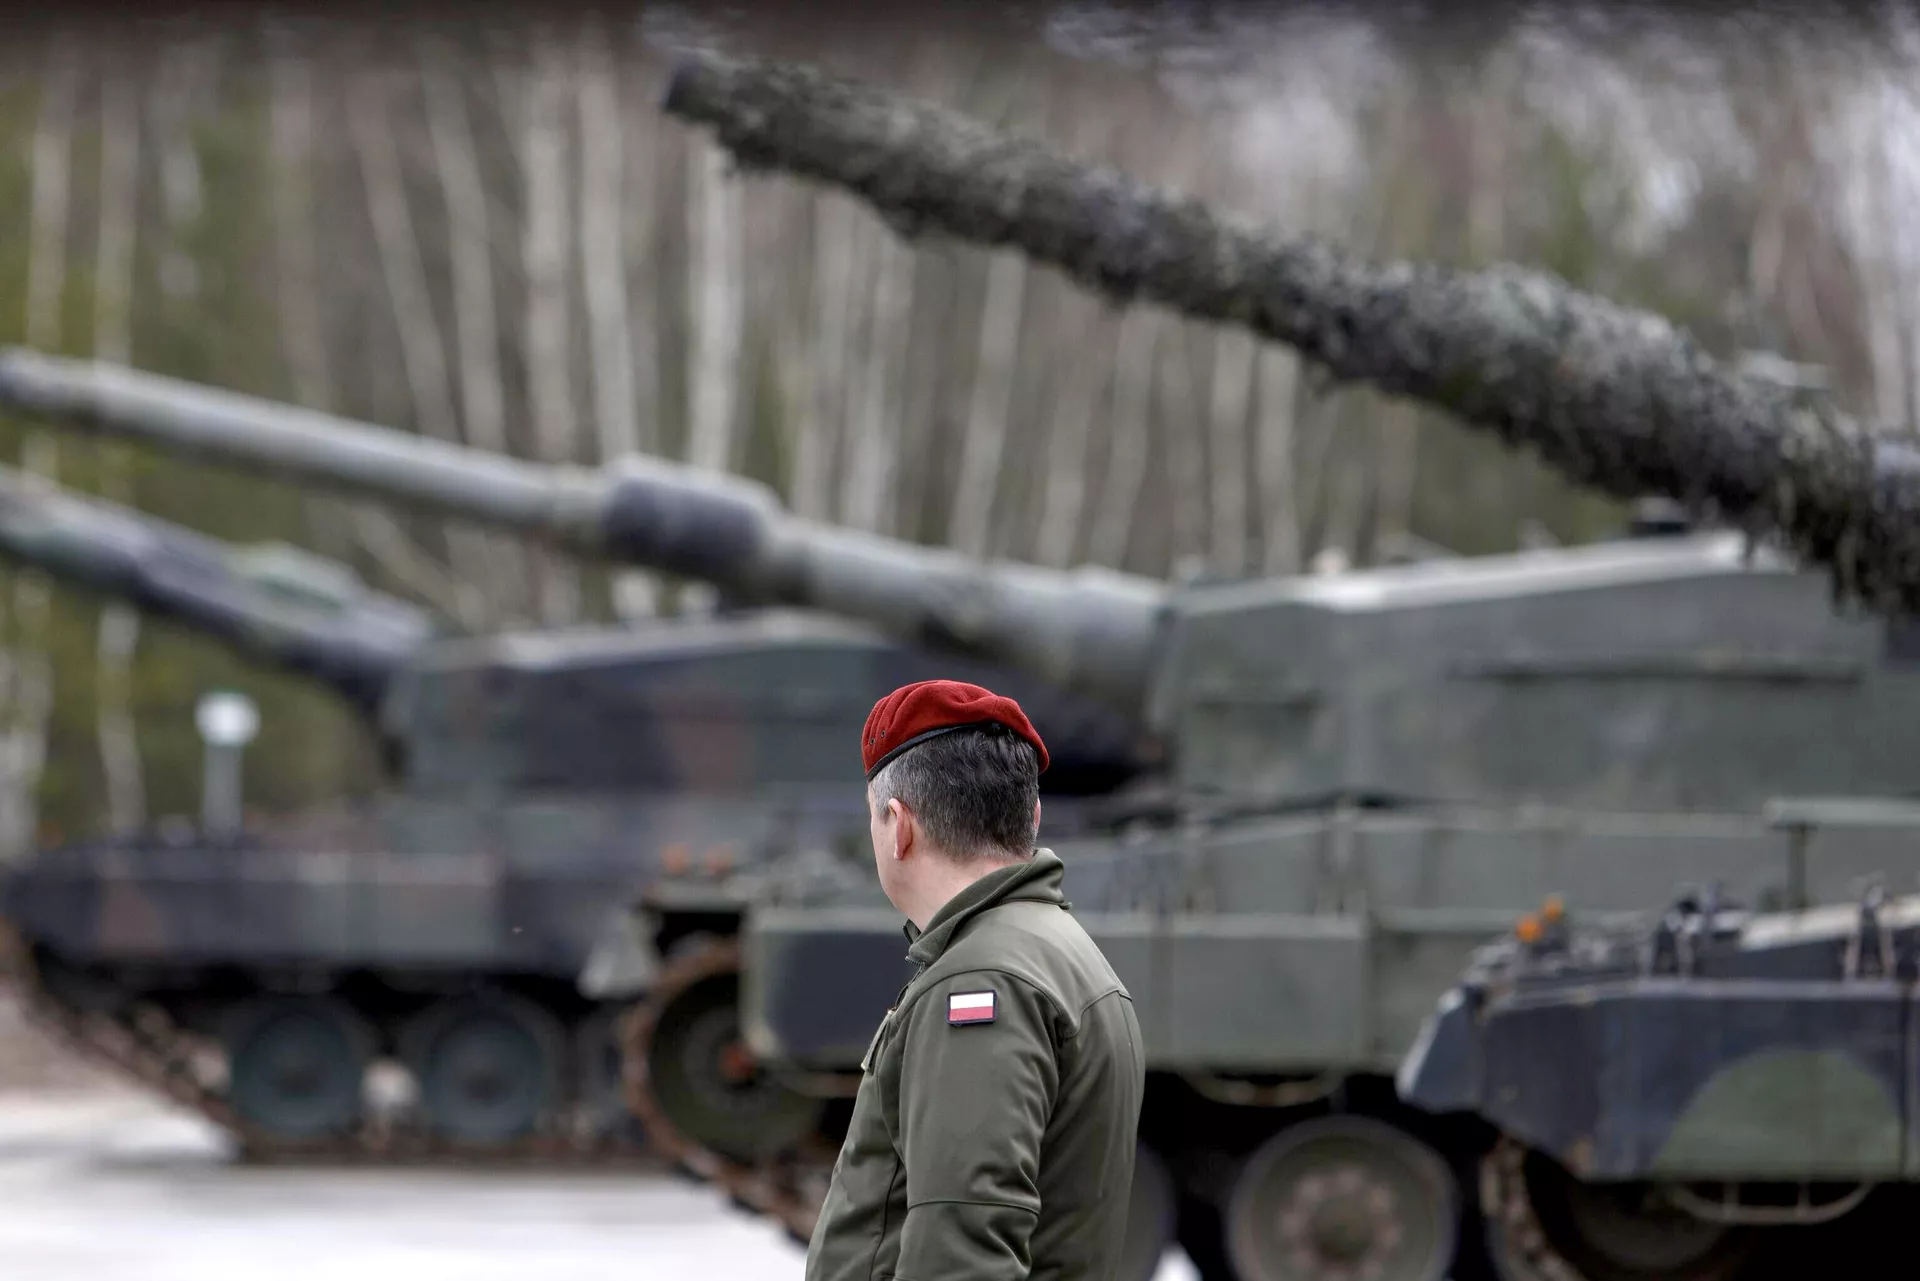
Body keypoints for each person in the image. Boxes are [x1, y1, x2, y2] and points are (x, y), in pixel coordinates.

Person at [804, 678, 1147, 1281]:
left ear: (898, 824)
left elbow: (962, 1254)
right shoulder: (1060, 952)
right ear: (1032, 816)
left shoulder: (982, 981)